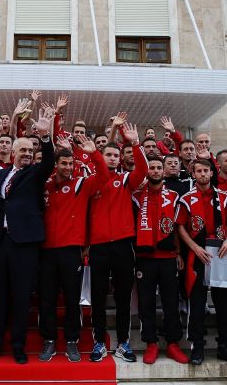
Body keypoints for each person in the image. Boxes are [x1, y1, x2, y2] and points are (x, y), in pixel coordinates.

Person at [0, 107, 55, 365]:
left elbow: (48, 163)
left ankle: (19, 346)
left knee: (22, 296)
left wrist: (45, 137)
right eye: (22, 151)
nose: (27, 155)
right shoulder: (0, 174)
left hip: (25, 245)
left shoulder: (35, 173)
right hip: (1, 243)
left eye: (30, 152)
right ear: (12, 154)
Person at [38, 136, 107, 363]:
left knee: (71, 298)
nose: (68, 168)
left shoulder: (80, 183)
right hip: (46, 250)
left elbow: (104, 177)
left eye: (71, 164)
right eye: (64, 164)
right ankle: (48, 341)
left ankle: (71, 341)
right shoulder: (45, 184)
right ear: (56, 164)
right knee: (47, 299)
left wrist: (94, 153)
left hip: (71, 250)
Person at [88, 122, 147, 363]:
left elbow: (142, 172)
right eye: (108, 155)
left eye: (115, 155)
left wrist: (134, 143)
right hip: (99, 247)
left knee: (123, 297)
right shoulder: (92, 181)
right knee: (99, 297)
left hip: (123, 246)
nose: (112, 159)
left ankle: (123, 342)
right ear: (101, 157)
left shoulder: (125, 180)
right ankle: (99, 342)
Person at [177, 160, 227, 365]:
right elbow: (180, 227)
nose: (203, 174)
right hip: (197, 255)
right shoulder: (186, 199)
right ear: (193, 174)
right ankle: (197, 346)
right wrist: (194, 248)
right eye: (199, 171)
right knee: (196, 303)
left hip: (221, 254)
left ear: (211, 172)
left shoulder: (224, 198)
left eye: (206, 170)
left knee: (223, 303)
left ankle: (226, 345)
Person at [132, 157, 188, 365]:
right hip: (145, 258)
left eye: (158, 168)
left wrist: (179, 253)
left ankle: (173, 344)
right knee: (146, 303)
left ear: (164, 171)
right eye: (152, 168)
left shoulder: (174, 196)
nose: (155, 171)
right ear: (147, 172)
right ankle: (151, 344)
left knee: (171, 302)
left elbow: (177, 227)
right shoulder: (136, 196)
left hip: (168, 258)